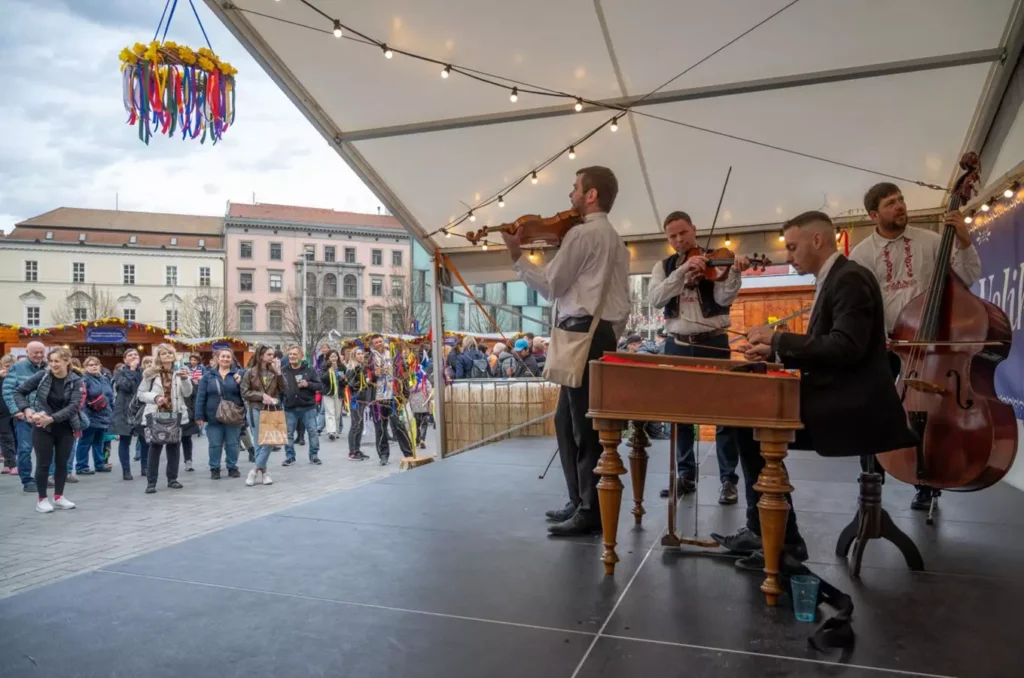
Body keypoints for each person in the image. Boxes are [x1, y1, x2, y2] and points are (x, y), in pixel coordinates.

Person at [725, 210, 917, 569]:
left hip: (854, 405)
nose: (788, 256)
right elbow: (825, 345)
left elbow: (846, 347)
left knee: (750, 428)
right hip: (839, 394)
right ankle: (771, 533)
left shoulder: (850, 279)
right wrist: (772, 352)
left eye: (793, 247)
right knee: (746, 423)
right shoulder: (835, 279)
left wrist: (778, 338)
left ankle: (781, 541)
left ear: (818, 240)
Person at [501, 165, 630, 536]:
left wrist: (516, 255)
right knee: (568, 421)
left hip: (580, 334)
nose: (570, 196)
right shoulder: (616, 240)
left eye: (575, 188)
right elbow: (619, 299)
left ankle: (589, 509)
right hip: (598, 335)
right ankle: (580, 500)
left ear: (591, 195)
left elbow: (551, 285)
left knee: (581, 425)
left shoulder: (583, 235)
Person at [848, 182, 981, 511]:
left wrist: (964, 241)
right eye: (891, 203)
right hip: (887, 344)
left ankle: (926, 483)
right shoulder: (863, 254)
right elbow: (860, 303)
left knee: (928, 413)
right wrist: (876, 337)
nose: (900, 206)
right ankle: (872, 484)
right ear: (874, 215)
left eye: (901, 200)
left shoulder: (932, 241)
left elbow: (967, 278)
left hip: (930, 344)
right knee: (875, 412)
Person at [648, 210, 750, 505]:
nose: (679, 239)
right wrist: (681, 273)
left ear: (694, 230)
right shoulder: (664, 266)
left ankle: (728, 479)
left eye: (683, 233)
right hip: (677, 344)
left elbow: (723, 300)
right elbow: (656, 299)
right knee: (679, 415)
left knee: (723, 413)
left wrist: (734, 272)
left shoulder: (716, 260)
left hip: (713, 343)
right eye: (673, 236)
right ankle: (685, 474)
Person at [13, 347, 84, 513]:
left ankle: (59, 497)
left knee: (62, 463)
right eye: (51, 361)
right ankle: (42, 499)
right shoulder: (42, 375)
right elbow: (19, 392)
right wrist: (27, 410)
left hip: (65, 426)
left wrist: (52, 418)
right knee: (43, 463)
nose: (53, 364)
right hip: (42, 426)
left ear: (67, 361)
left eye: (57, 361)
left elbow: (73, 406)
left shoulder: (77, 380)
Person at [137, 345, 192, 493]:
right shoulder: (151, 373)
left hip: (175, 414)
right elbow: (141, 394)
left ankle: (172, 479)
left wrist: (186, 379)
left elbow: (187, 393)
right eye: (164, 353)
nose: (167, 355)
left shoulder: (180, 371)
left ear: (174, 356)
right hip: (156, 415)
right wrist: (155, 398)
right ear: (159, 357)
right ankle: (151, 482)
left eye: (170, 353)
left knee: (174, 447)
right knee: (155, 448)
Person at [3, 341, 48, 493]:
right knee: (25, 449)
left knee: (45, 450)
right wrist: (16, 410)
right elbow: (8, 391)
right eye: (35, 352)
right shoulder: (18, 367)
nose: (39, 355)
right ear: (27, 352)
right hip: (24, 416)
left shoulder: (48, 367)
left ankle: (42, 477)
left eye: (41, 352)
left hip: (44, 416)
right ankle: (27, 480)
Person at [195, 348, 245, 479]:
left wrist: (241, 382)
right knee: (215, 444)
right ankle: (214, 468)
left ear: (232, 359)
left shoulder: (238, 374)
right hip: (213, 416)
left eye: (228, 357)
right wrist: (199, 416)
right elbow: (201, 396)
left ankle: (232, 467)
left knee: (232, 444)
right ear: (217, 358)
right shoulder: (208, 376)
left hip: (233, 416)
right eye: (223, 356)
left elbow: (245, 394)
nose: (225, 359)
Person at [240, 346, 285, 486]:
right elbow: (245, 392)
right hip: (256, 409)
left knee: (270, 441)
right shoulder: (250, 373)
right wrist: (261, 396)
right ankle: (264, 473)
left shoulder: (275, 371)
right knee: (259, 442)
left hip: (272, 410)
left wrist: (279, 373)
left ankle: (254, 470)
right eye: (269, 354)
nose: (272, 357)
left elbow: (284, 389)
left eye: (273, 354)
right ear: (261, 356)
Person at [367, 335, 413, 465]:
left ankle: (408, 453)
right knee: (380, 429)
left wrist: (405, 393)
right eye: (376, 342)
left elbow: (403, 375)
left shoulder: (393, 355)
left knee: (399, 425)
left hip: (393, 396)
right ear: (372, 345)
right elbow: (365, 377)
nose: (379, 344)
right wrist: (374, 375)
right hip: (377, 399)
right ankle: (383, 455)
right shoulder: (369, 358)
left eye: (381, 341)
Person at [280, 344, 323, 466]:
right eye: (290, 354)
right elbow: (279, 388)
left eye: (295, 354)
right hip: (290, 407)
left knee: (312, 432)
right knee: (288, 433)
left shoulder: (309, 369)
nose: (292, 356)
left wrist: (308, 384)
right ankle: (290, 457)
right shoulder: (284, 370)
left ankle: (314, 455)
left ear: (301, 356)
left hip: (307, 406)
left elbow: (319, 386)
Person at [75, 357, 115, 475]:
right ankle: (81, 466)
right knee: (85, 441)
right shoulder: (84, 379)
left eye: (96, 364)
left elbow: (110, 396)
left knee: (99, 441)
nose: (94, 366)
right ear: (85, 367)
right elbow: (80, 397)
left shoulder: (104, 379)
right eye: (90, 365)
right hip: (89, 415)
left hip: (104, 415)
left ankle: (100, 464)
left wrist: (112, 412)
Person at [344, 347, 371, 461]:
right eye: (358, 354)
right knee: (355, 425)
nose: (361, 356)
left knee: (360, 425)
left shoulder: (362, 368)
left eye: (361, 354)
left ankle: (357, 449)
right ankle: (352, 451)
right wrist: (364, 382)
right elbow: (351, 384)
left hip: (363, 399)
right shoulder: (352, 369)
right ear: (354, 356)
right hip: (356, 399)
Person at [319, 350, 346, 441]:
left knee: (337, 413)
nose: (334, 359)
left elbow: (346, 382)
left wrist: (343, 379)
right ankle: (331, 431)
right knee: (330, 412)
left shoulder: (342, 367)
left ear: (338, 357)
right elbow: (322, 379)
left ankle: (336, 430)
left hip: (338, 392)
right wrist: (330, 370)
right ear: (328, 358)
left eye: (335, 356)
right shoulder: (324, 366)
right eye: (332, 357)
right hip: (328, 392)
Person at [0, 355, 18, 475]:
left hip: (15, 410)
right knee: (6, 437)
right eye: (7, 366)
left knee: (15, 438)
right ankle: (12, 464)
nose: (9, 369)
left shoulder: (16, 377)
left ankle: (7, 464)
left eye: (11, 366)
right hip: (2, 411)